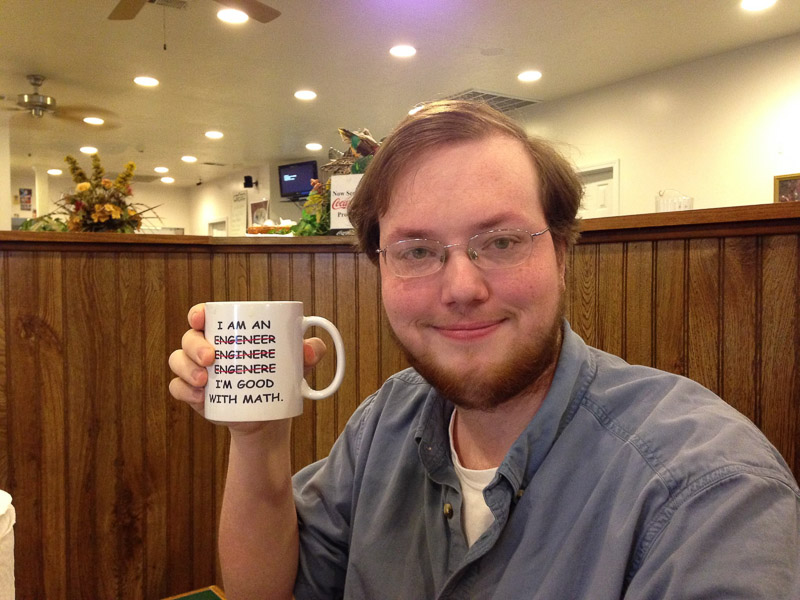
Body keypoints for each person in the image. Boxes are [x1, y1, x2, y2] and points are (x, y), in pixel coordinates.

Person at [169, 100, 800, 599]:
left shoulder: (706, 493)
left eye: (499, 242)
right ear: (381, 269)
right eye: (417, 251)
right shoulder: (386, 423)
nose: (462, 288)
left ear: (561, 249)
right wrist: (257, 439)